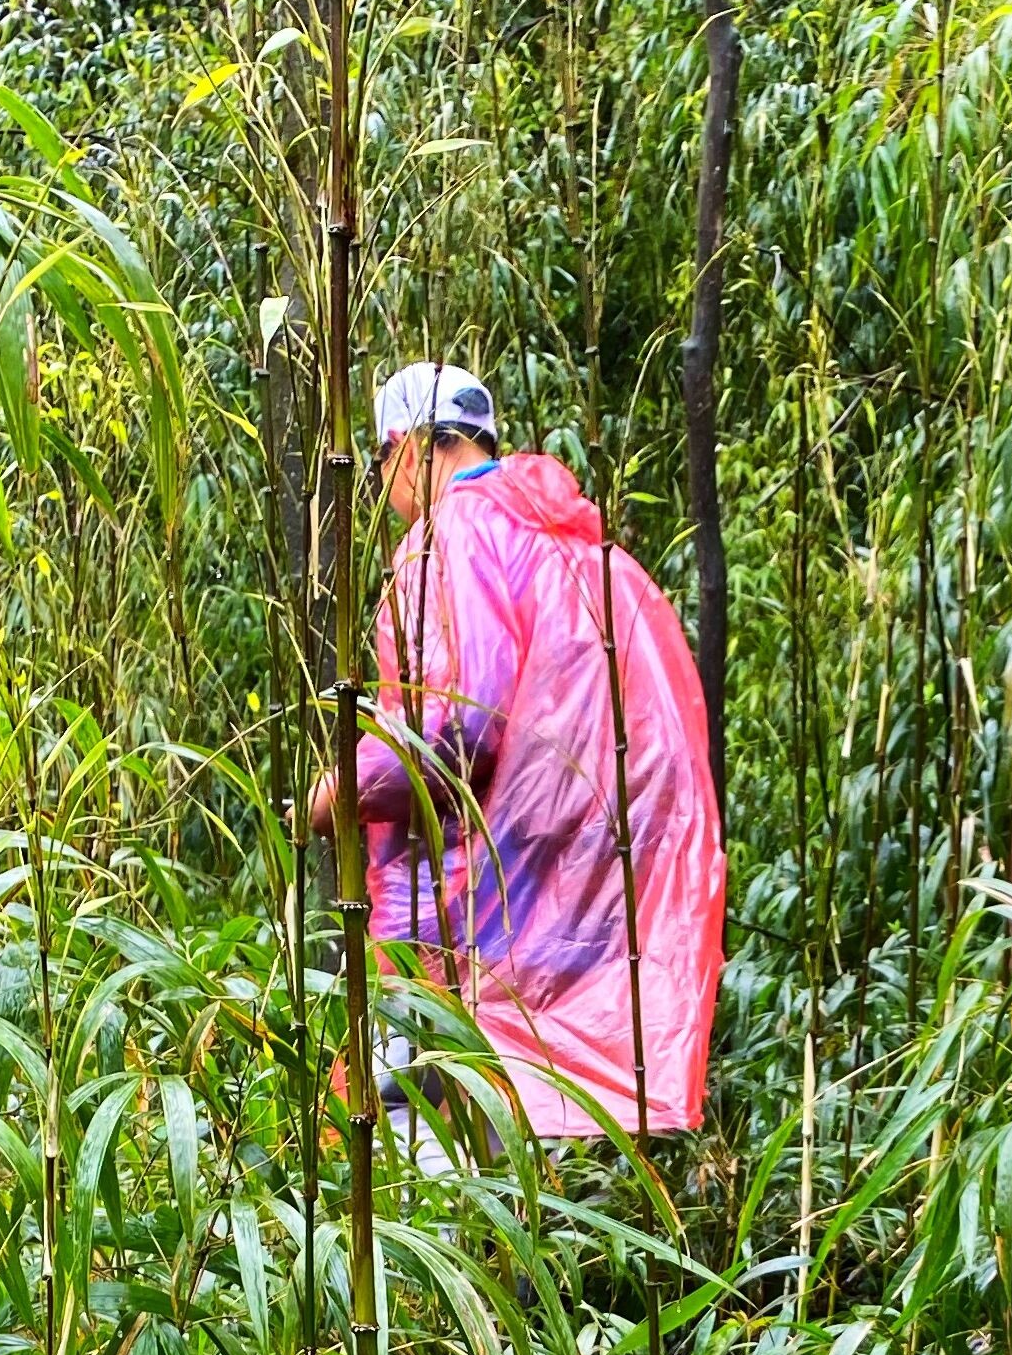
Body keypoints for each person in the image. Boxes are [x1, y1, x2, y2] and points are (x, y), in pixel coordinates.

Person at [310, 362, 725, 1142]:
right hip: (564, 943)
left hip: (457, 936)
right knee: (522, 1183)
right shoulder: (580, 555)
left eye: (379, 466)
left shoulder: (452, 538)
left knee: (429, 1174)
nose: (382, 494)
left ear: (411, 448)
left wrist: (342, 787)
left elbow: (455, 732)